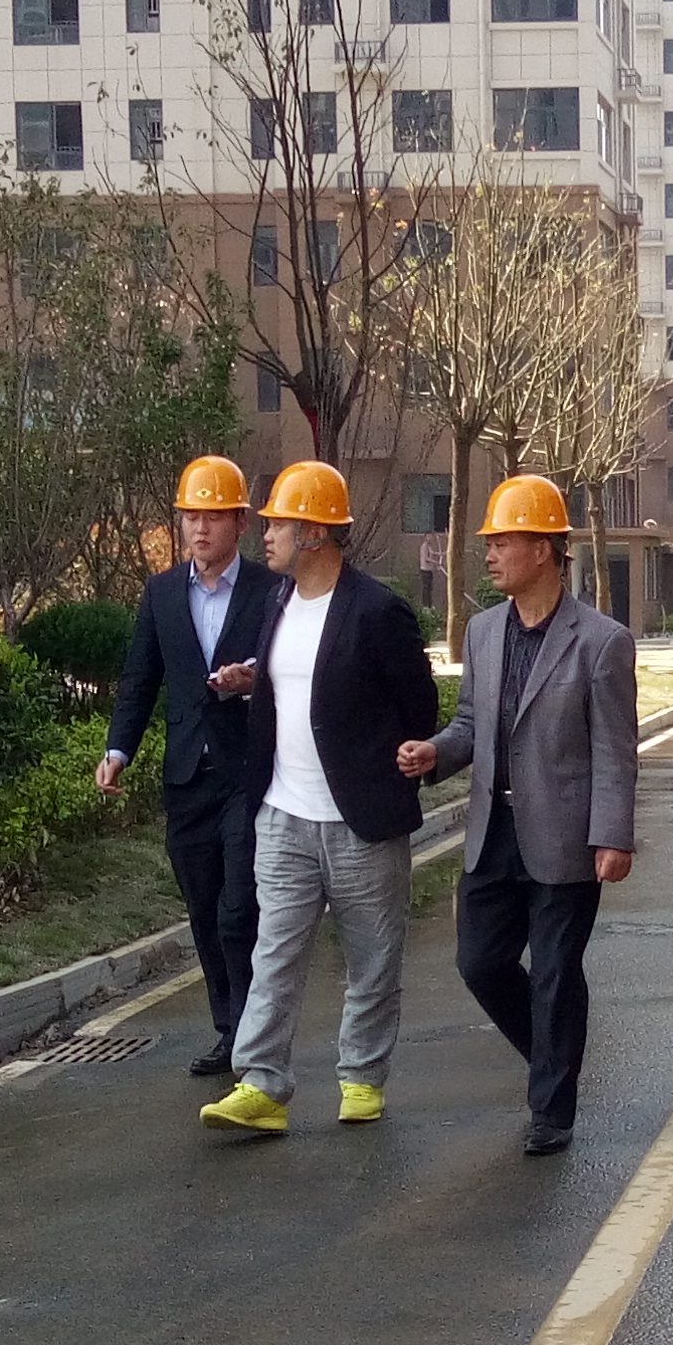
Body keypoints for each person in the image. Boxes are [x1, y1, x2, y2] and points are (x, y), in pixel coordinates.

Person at [200, 460, 443, 1136]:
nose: (266, 535)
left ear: (313, 532)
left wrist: (395, 762)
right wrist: (253, 681)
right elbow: (297, 684)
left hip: (360, 819)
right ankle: (261, 1085)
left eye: (277, 523)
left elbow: (418, 705)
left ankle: (362, 1077)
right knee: (273, 953)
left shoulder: (377, 610)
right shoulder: (277, 602)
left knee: (372, 960)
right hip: (283, 813)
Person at [401, 474, 638, 1155]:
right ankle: (553, 1056)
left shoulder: (601, 641)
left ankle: (551, 1111)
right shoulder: (482, 632)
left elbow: (615, 749)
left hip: (566, 835)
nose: (491, 553)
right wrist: (436, 753)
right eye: (491, 542)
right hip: (492, 832)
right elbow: (472, 723)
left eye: (503, 541)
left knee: (557, 972)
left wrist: (613, 835)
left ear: (543, 549)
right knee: (480, 963)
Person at [99, 455, 286, 1078]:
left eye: (214, 517)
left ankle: (253, 1034)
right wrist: (118, 750)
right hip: (185, 776)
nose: (200, 528)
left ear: (239, 523)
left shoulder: (269, 589)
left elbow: (291, 667)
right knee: (204, 909)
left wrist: (253, 680)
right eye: (190, 517)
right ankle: (228, 1029)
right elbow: (140, 678)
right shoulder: (160, 593)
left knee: (239, 909)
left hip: (247, 772)